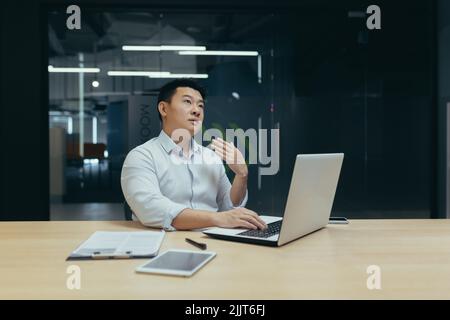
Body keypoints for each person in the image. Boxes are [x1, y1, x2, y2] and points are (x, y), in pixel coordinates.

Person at [120, 79, 267, 231]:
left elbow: (229, 207)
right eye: (187, 102)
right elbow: (151, 209)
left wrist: (241, 174)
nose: (196, 110)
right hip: (164, 241)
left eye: (201, 105)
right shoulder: (142, 156)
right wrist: (217, 218)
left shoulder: (211, 157)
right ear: (164, 109)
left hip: (214, 241)